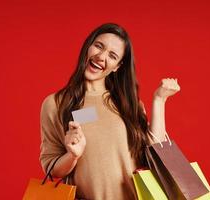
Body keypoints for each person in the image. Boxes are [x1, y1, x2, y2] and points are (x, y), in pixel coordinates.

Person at [39, 23, 180, 200]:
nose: (101, 57)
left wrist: (159, 100)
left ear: (117, 66)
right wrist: (72, 155)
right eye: (98, 46)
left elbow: (157, 152)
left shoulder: (127, 103)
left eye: (112, 56)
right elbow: (51, 168)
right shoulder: (56, 104)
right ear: (88, 46)